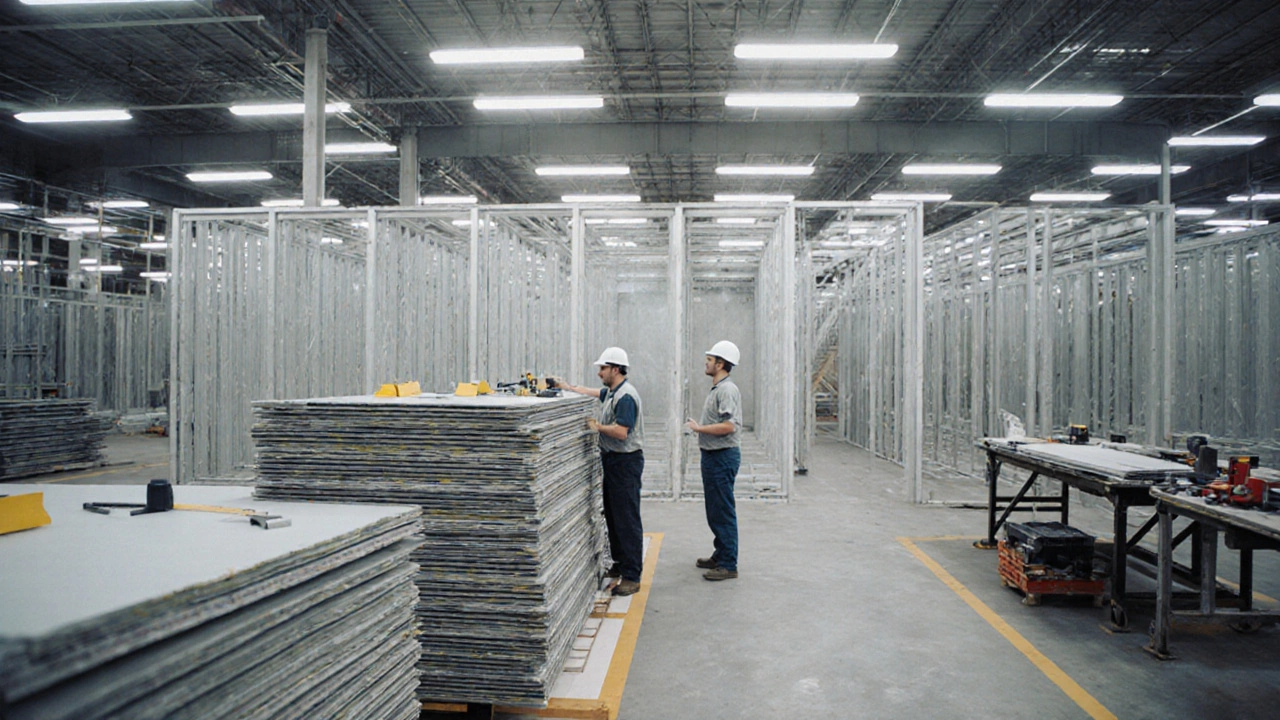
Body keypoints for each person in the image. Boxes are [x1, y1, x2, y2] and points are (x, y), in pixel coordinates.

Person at [554, 347, 645, 596]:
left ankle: (632, 575)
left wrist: (597, 427)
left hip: (625, 463)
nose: (599, 372)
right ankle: (619, 563)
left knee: (626, 519)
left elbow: (621, 432)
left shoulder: (626, 396)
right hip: (614, 461)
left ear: (615, 369)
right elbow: (596, 393)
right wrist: (569, 387)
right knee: (614, 516)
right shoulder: (613, 392)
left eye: (603, 368)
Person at [685, 340, 743, 581]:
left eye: (710, 360)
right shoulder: (718, 389)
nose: (706, 363)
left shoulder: (727, 390)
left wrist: (700, 429)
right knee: (715, 509)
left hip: (722, 456)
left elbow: (730, 426)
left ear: (721, 364)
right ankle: (721, 554)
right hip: (713, 456)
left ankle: (729, 564)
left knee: (722, 510)